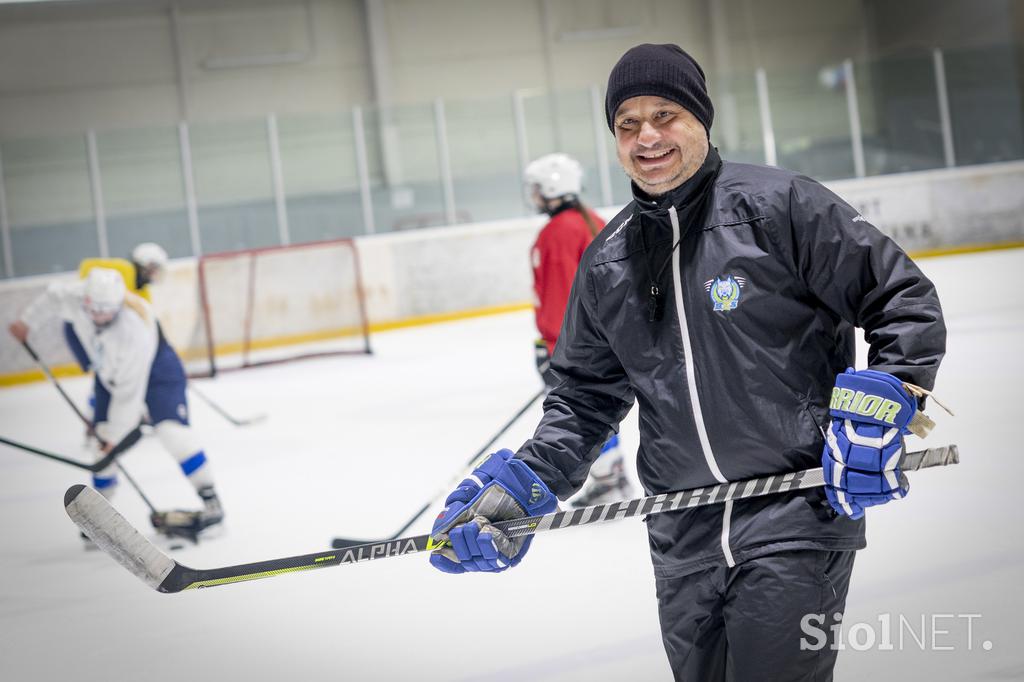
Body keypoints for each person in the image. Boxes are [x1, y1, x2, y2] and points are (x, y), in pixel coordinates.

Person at [427, 43, 946, 680]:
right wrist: (521, 486)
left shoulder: (780, 208)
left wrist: (883, 398)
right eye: (627, 124)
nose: (646, 136)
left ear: (701, 117)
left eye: (665, 115)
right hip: (681, 535)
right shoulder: (608, 260)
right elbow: (584, 399)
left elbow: (899, 296)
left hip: (794, 514)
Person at [9, 267, 224, 542]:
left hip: (157, 373)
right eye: (93, 309)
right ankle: (98, 516)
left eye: (105, 310)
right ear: (85, 299)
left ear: (118, 305)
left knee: (172, 434)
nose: (98, 316)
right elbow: (52, 297)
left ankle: (211, 500)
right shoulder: (77, 297)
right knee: (102, 453)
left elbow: (127, 395)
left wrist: (117, 435)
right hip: (109, 373)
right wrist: (27, 322)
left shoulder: (133, 330)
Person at [524, 152, 632, 507]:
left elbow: (559, 298)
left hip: (577, 342)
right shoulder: (592, 220)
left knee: (581, 410)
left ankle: (608, 478)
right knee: (600, 406)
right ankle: (611, 474)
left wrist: (553, 347)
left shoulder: (556, 234)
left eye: (538, 188)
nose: (534, 195)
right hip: (609, 335)